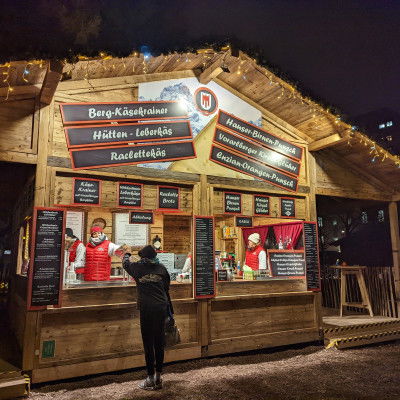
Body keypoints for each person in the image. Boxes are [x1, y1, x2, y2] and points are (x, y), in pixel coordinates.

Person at [123, 245, 173, 391]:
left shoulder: (138, 268)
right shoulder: (162, 268)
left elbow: (126, 263)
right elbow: (166, 288)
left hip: (147, 309)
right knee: (159, 342)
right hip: (161, 308)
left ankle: (150, 378)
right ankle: (158, 377)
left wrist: (127, 252)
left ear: (143, 257)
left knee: (148, 343)